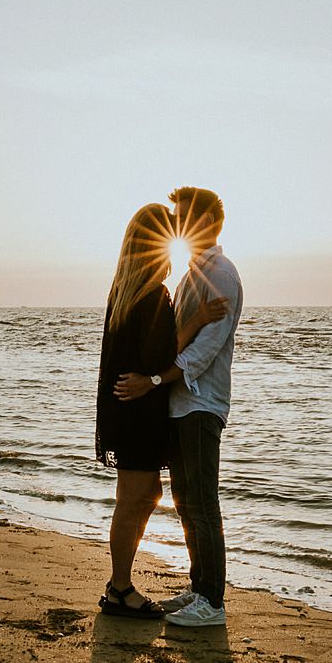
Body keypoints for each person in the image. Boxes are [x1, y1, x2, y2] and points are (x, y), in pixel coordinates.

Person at [114, 186, 241, 628]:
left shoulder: (220, 275)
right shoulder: (189, 276)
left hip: (201, 405)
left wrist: (153, 381)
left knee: (202, 501)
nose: (177, 225)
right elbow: (171, 341)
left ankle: (212, 602)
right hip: (179, 406)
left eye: (184, 217)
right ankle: (199, 586)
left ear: (206, 224)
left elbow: (201, 354)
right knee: (187, 502)